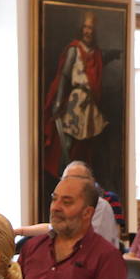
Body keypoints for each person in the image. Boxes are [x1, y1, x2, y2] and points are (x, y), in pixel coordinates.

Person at [20, 175, 126, 279]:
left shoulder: (107, 256)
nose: (55, 207)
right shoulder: (32, 247)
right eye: (54, 199)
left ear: (87, 212)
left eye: (66, 202)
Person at [43, 10, 109, 176]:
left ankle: (84, 176)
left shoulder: (96, 53)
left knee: (88, 145)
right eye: (86, 28)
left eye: (91, 28)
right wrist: (58, 101)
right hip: (76, 100)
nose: (88, 31)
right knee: (68, 141)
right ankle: (65, 174)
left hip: (89, 102)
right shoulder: (74, 49)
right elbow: (64, 75)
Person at [18, 161, 120, 248]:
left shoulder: (100, 206)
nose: (56, 207)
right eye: (64, 179)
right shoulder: (35, 249)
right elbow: (52, 228)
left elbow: (91, 244)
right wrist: (20, 231)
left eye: (71, 179)